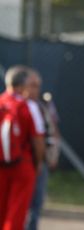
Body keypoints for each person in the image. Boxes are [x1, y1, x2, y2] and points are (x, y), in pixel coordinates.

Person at [0, 65, 45, 230]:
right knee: (17, 212)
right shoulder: (28, 106)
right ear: (23, 85)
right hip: (23, 164)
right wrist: (38, 163)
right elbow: (38, 139)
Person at [24, 71, 60, 230]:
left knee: (36, 203)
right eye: (32, 85)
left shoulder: (43, 105)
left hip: (40, 161)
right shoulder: (17, 106)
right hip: (25, 161)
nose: (36, 90)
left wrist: (51, 157)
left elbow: (53, 132)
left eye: (37, 86)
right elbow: (37, 138)